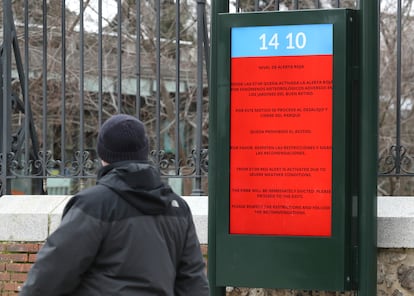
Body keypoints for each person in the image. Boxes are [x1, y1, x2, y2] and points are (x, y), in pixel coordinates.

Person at [20, 114, 210, 296]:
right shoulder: (177, 207)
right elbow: (193, 284)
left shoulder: (93, 205)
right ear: (144, 152)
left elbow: (50, 275)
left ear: (103, 154)